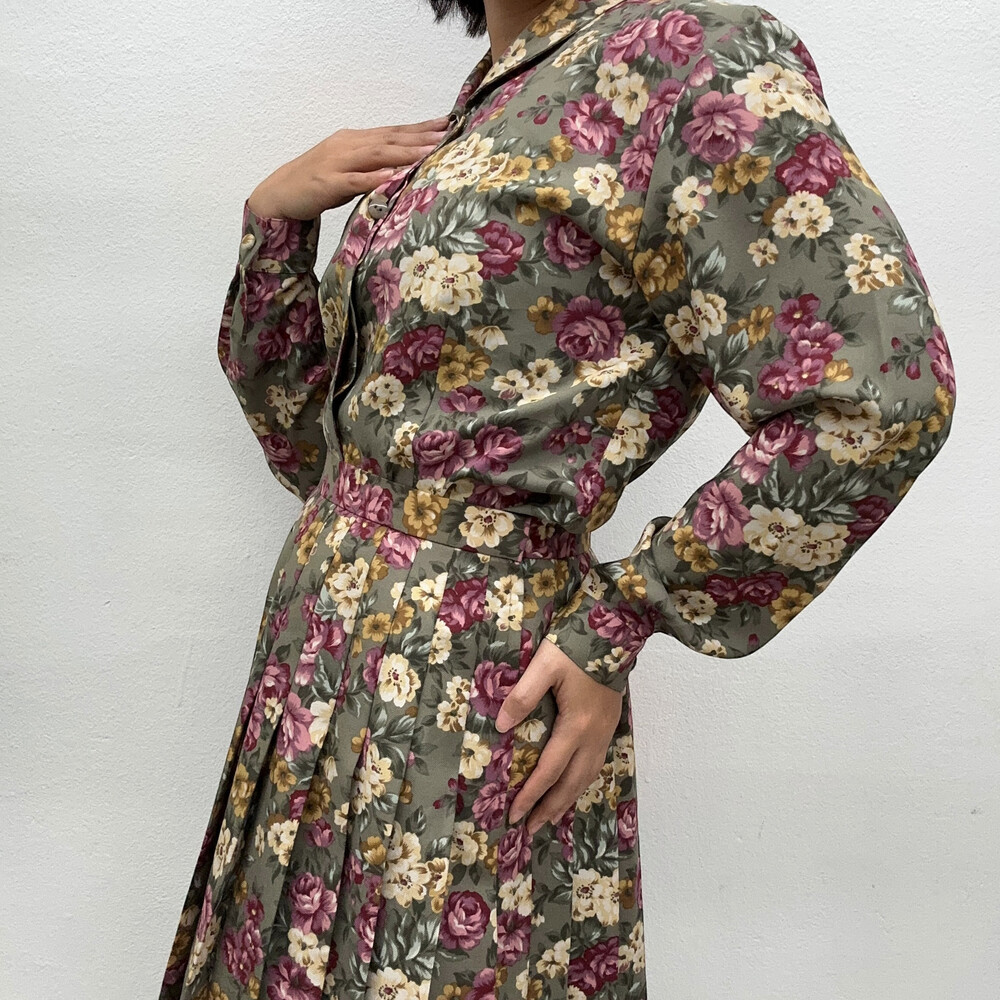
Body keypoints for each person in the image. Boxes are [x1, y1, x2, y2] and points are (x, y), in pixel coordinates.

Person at [159, 1, 957, 997]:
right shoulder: (493, 101)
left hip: (466, 678)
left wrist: (628, 610)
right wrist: (275, 226)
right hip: (318, 652)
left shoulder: (690, 61)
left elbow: (881, 399)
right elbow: (309, 449)